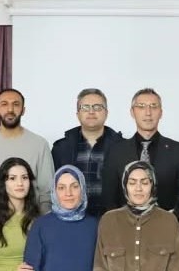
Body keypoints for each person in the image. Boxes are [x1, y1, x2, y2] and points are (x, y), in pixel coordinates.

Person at [0, 89, 54, 218]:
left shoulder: (39, 144)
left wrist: (44, 224)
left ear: (23, 110)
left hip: (29, 223)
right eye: (4, 104)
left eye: (16, 104)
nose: (10, 109)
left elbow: (47, 192)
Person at [100, 88, 179, 211]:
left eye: (153, 106)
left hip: (167, 221)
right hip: (125, 221)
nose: (148, 112)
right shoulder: (116, 151)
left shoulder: (178, 151)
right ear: (132, 112)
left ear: (161, 113)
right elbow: (109, 198)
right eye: (141, 106)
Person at [51, 88, 124, 217]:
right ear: (77, 113)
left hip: (112, 219)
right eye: (85, 107)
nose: (91, 111)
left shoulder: (122, 146)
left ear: (106, 113)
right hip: (72, 219)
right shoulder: (61, 148)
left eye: (97, 107)